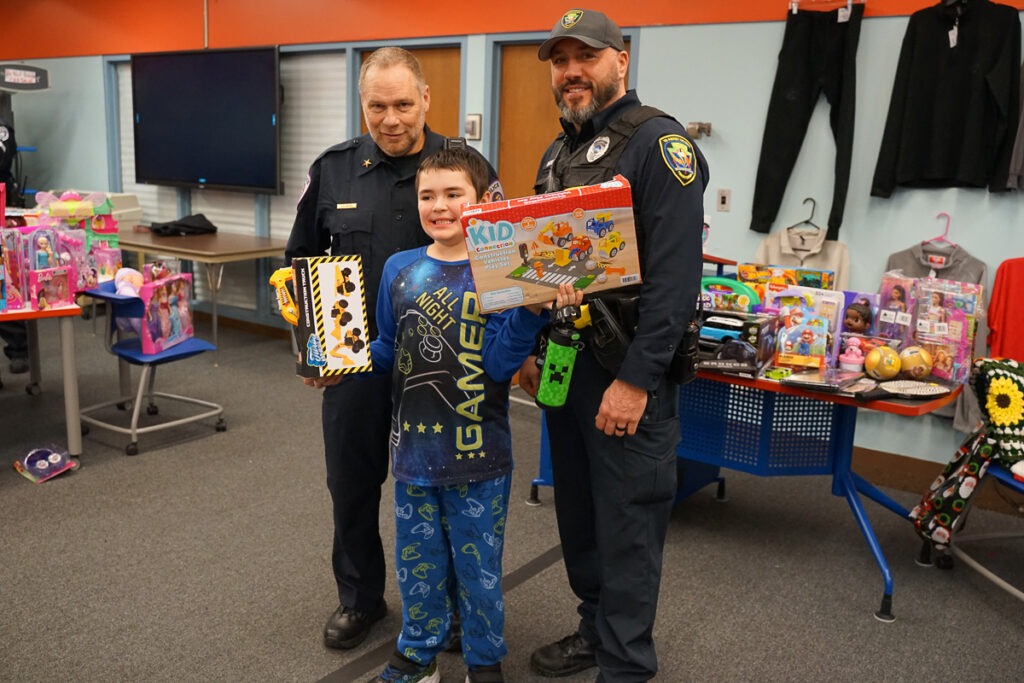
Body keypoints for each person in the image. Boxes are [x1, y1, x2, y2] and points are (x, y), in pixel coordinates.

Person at [284, 46, 503, 651]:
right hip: (359, 362)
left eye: (404, 104)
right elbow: (300, 261)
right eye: (377, 106)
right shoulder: (332, 170)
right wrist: (315, 348)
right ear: (363, 105)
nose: (391, 119)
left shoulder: (465, 168)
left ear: (426, 99)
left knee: (451, 491)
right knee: (351, 484)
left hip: (448, 367)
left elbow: (504, 261)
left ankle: (455, 610)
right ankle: (360, 599)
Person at [518, 8, 709, 682]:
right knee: (579, 512)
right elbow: (546, 267)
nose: (571, 72)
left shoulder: (659, 145)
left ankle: (626, 664)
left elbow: (676, 281)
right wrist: (534, 346)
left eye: (586, 57)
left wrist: (636, 379)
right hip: (566, 367)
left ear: (620, 61)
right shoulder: (556, 154)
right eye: (560, 61)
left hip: (627, 369)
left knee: (628, 522)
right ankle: (594, 627)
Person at [364, 146, 559, 683]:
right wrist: (343, 359)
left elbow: (498, 365)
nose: (440, 205)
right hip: (413, 458)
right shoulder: (399, 269)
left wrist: (530, 311)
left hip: (481, 457)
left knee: (479, 571)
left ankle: (483, 658)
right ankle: (419, 653)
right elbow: (387, 348)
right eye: (428, 195)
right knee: (418, 566)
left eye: (454, 194)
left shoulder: (498, 273)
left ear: (481, 202)